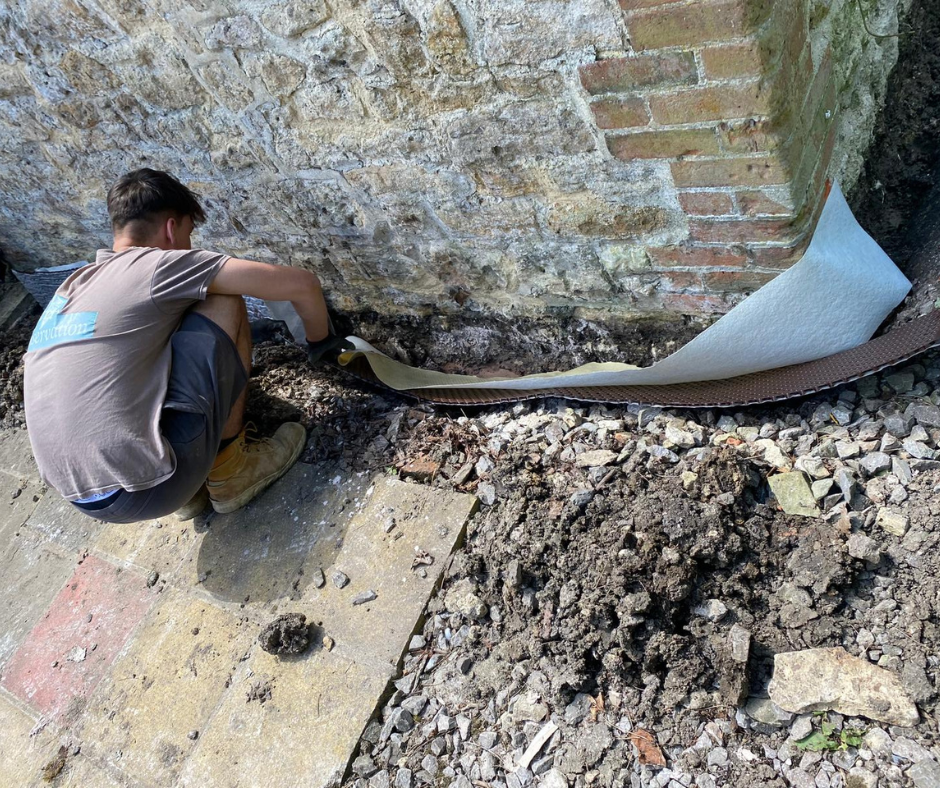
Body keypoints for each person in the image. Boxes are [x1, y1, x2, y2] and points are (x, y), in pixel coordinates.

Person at [23, 168, 349, 523]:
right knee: (221, 297)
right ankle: (230, 470)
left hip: (83, 498)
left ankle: (191, 493)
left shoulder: (72, 288)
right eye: (189, 234)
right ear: (171, 227)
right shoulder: (156, 266)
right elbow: (302, 285)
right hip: (148, 488)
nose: (190, 246)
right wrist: (322, 343)